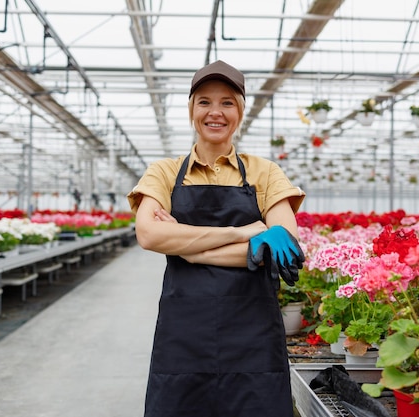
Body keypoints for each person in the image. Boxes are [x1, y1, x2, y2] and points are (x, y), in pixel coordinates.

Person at [127, 60, 306, 417]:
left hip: (253, 333)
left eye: (227, 102)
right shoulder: (163, 171)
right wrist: (242, 234)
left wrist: (187, 248)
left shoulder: (265, 172)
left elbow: (281, 247)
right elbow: (148, 234)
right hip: (184, 333)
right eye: (205, 101)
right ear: (192, 109)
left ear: (240, 110)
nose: (216, 112)